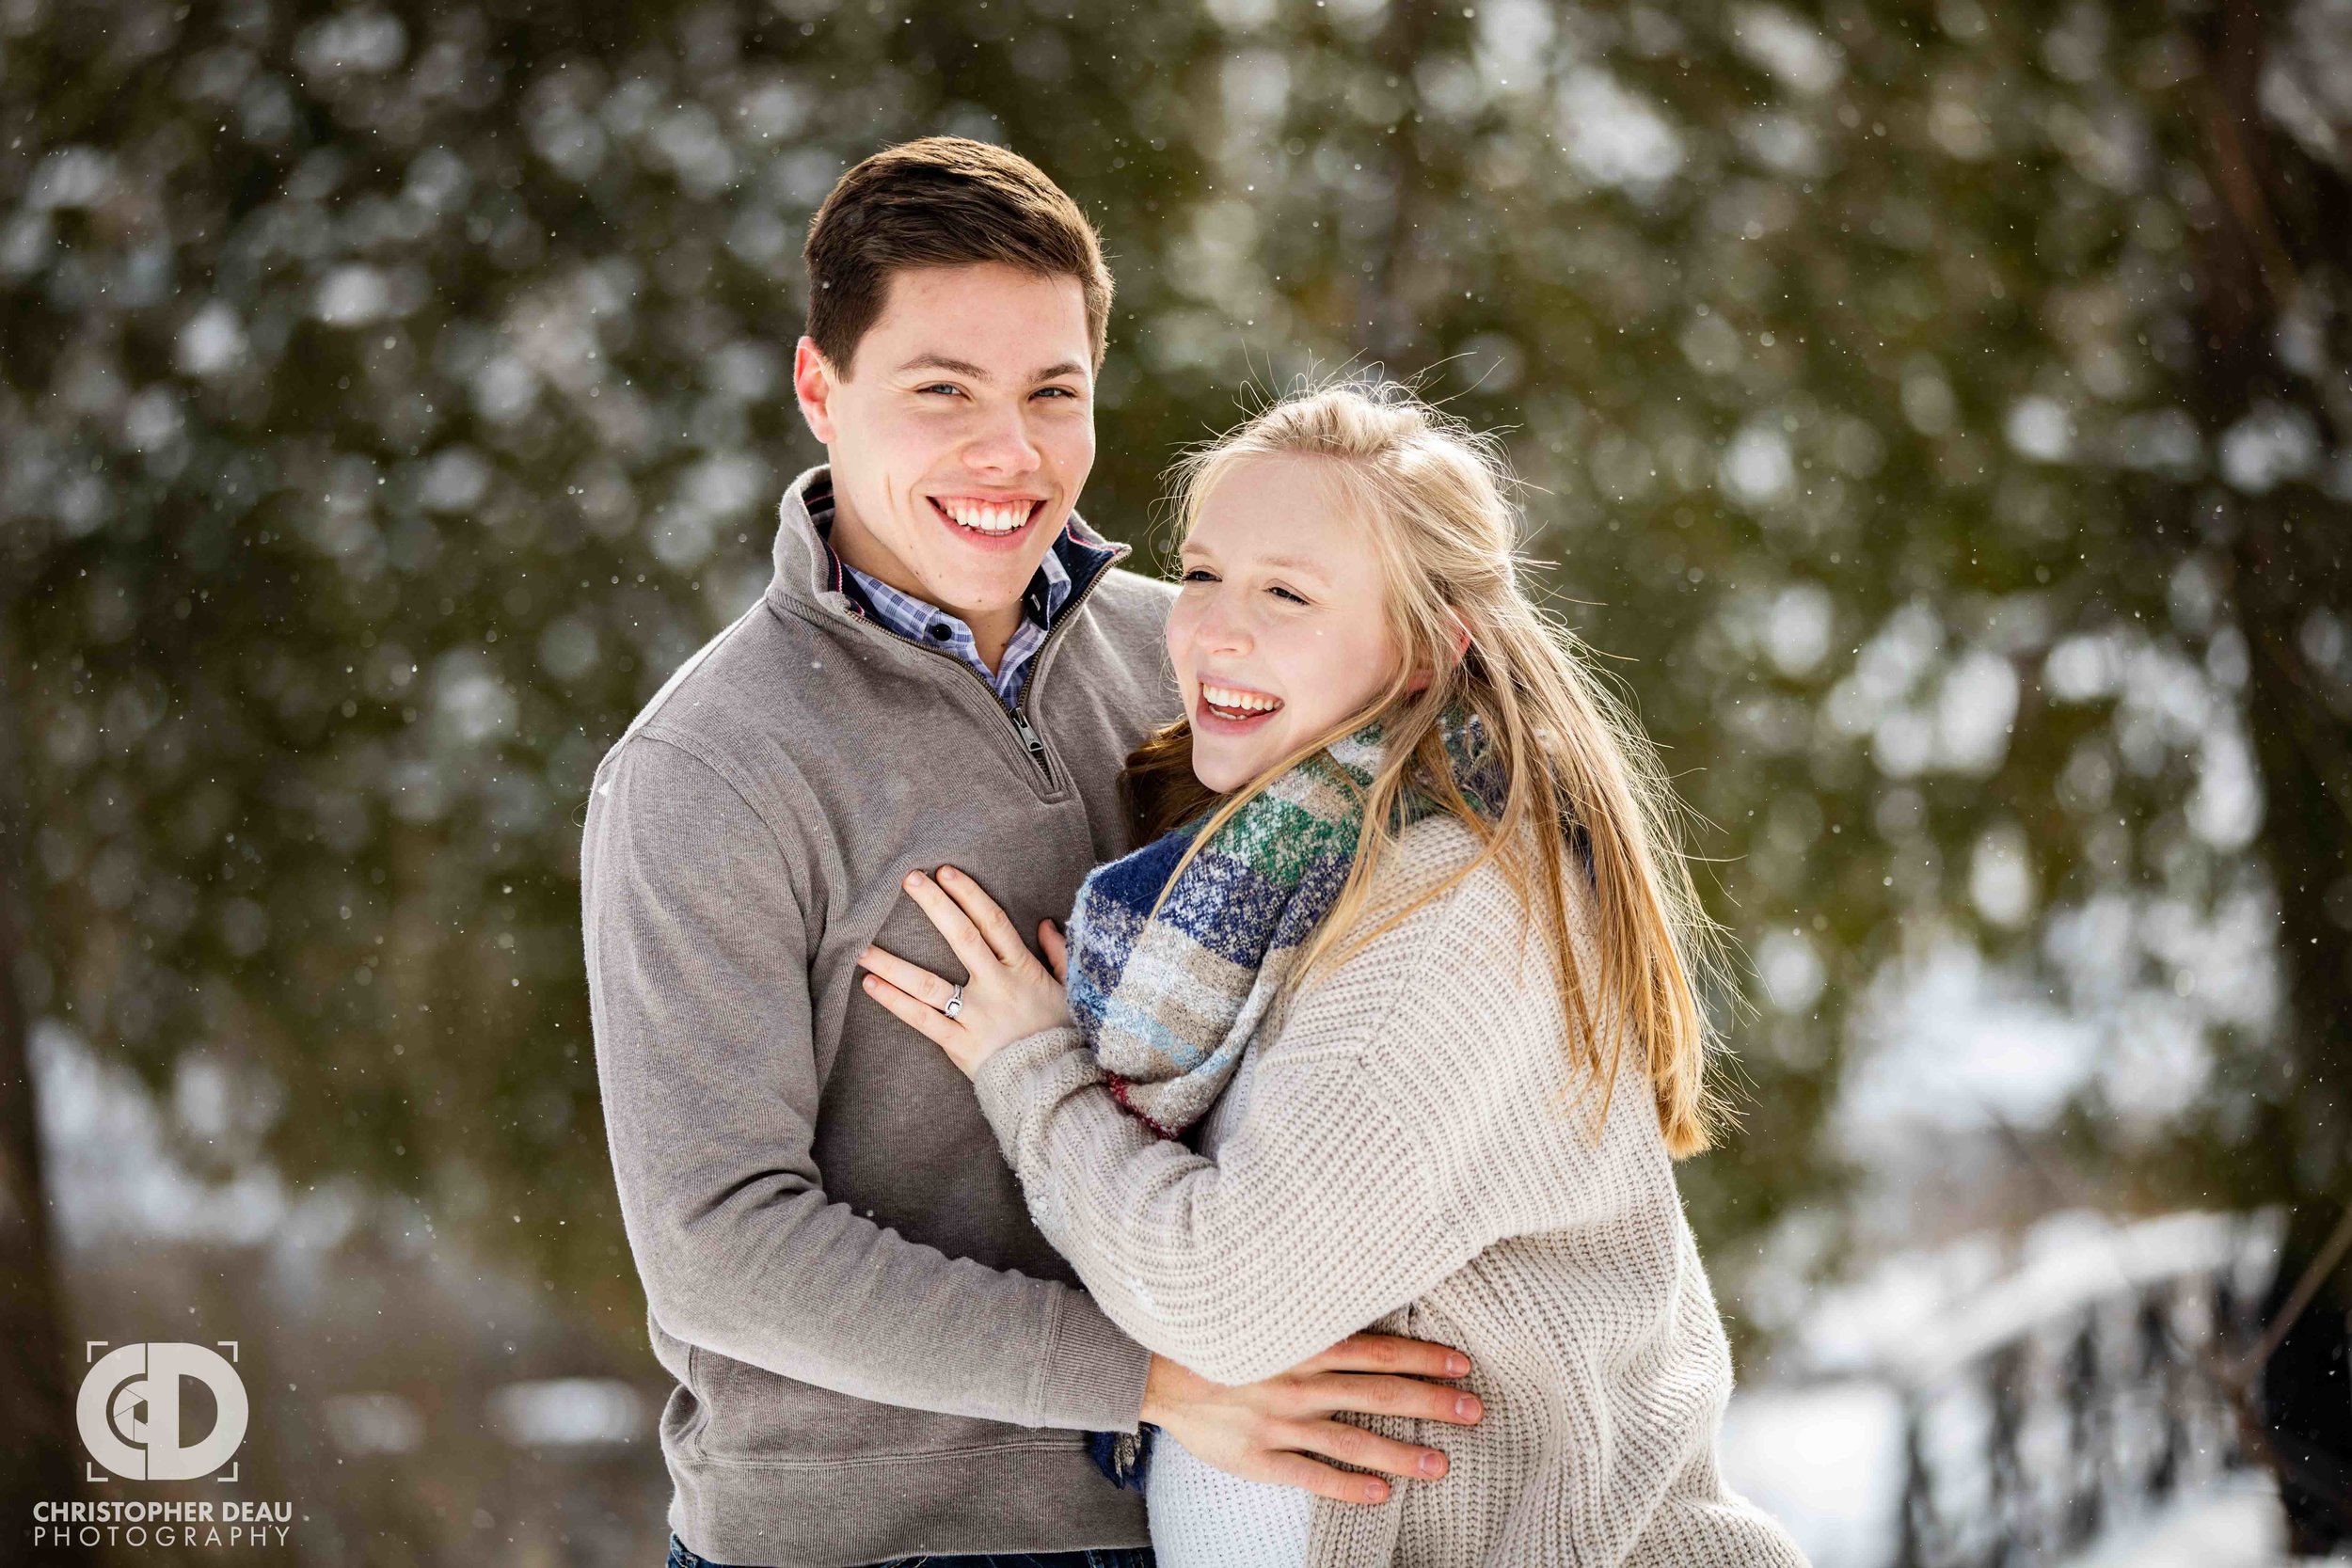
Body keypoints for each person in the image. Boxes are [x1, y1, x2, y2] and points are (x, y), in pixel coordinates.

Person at [580, 141, 1485, 1568]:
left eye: (1052, 392)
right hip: (868, 1544)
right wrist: (1145, 1376)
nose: (1011, 453)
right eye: (943, 388)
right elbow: (719, 1239)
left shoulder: (1194, 650)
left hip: (1199, 1515)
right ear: (820, 388)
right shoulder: (710, 768)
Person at [859, 382, 1813, 1566]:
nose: (1214, 630)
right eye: (1201, 574)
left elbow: (1228, 1302)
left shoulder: (1455, 905)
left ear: (1428, 646)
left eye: (1287, 593)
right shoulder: (1295, 875)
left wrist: (1030, 1069)